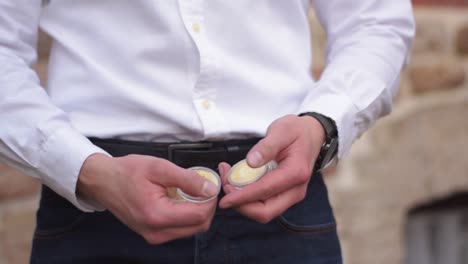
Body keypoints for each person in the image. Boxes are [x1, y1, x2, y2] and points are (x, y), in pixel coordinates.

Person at [0, 1, 414, 263]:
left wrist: (321, 126)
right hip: (99, 207)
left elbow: (375, 22)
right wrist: (86, 171)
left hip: (280, 204)